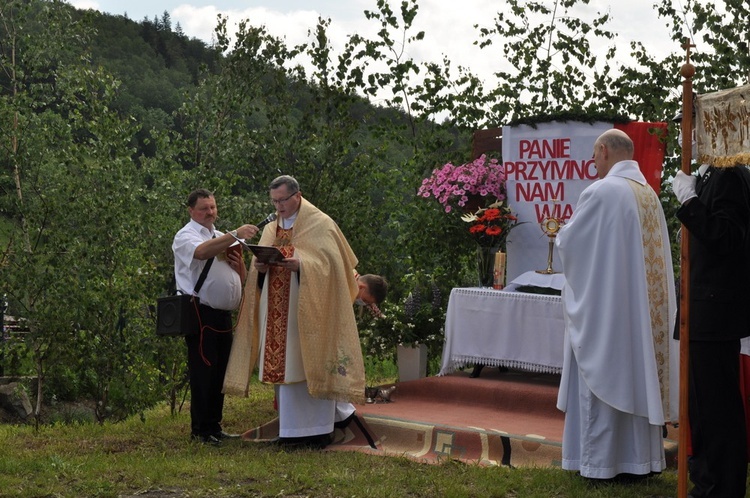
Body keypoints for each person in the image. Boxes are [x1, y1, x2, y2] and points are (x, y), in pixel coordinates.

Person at [555, 129, 679, 482]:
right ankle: (639, 462)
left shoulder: (602, 191)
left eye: (595, 154)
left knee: (605, 378)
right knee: (636, 375)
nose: (593, 162)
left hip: (608, 314)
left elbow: (572, 244)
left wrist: (561, 233)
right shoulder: (648, 195)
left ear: (605, 151)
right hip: (640, 318)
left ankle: (601, 465)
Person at [223, 175, 366, 449]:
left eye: (283, 200)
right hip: (277, 312)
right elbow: (257, 270)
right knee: (285, 370)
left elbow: (335, 269)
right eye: (274, 201)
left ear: (297, 196)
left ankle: (318, 431)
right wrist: (260, 269)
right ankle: (290, 431)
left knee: (307, 363)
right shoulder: (271, 228)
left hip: (307, 313)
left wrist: (302, 265)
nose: (278, 207)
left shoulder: (321, 224)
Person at [672, 110, 750, 497]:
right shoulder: (710, 175)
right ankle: (708, 481)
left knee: (716, 409)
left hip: (715, 309)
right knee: (702, 408)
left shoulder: (731, 176)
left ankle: (721, 486)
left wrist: (690, 203)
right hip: (703, 309)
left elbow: (727, 238)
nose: (689, 140)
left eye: (695, 132)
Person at [172, 188, 259, 445]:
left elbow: (240, 277)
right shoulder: (184, 235)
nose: (210, 212)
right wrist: (236, 235)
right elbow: (200, 253)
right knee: (203, 370)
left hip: (222, 314)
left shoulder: (221, 236)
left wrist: (239, 265)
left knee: (220, 371)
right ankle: (200, 429)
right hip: (200, 311)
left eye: (212, 207)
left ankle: (214, 426)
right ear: (191, 211)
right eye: (204, 208)